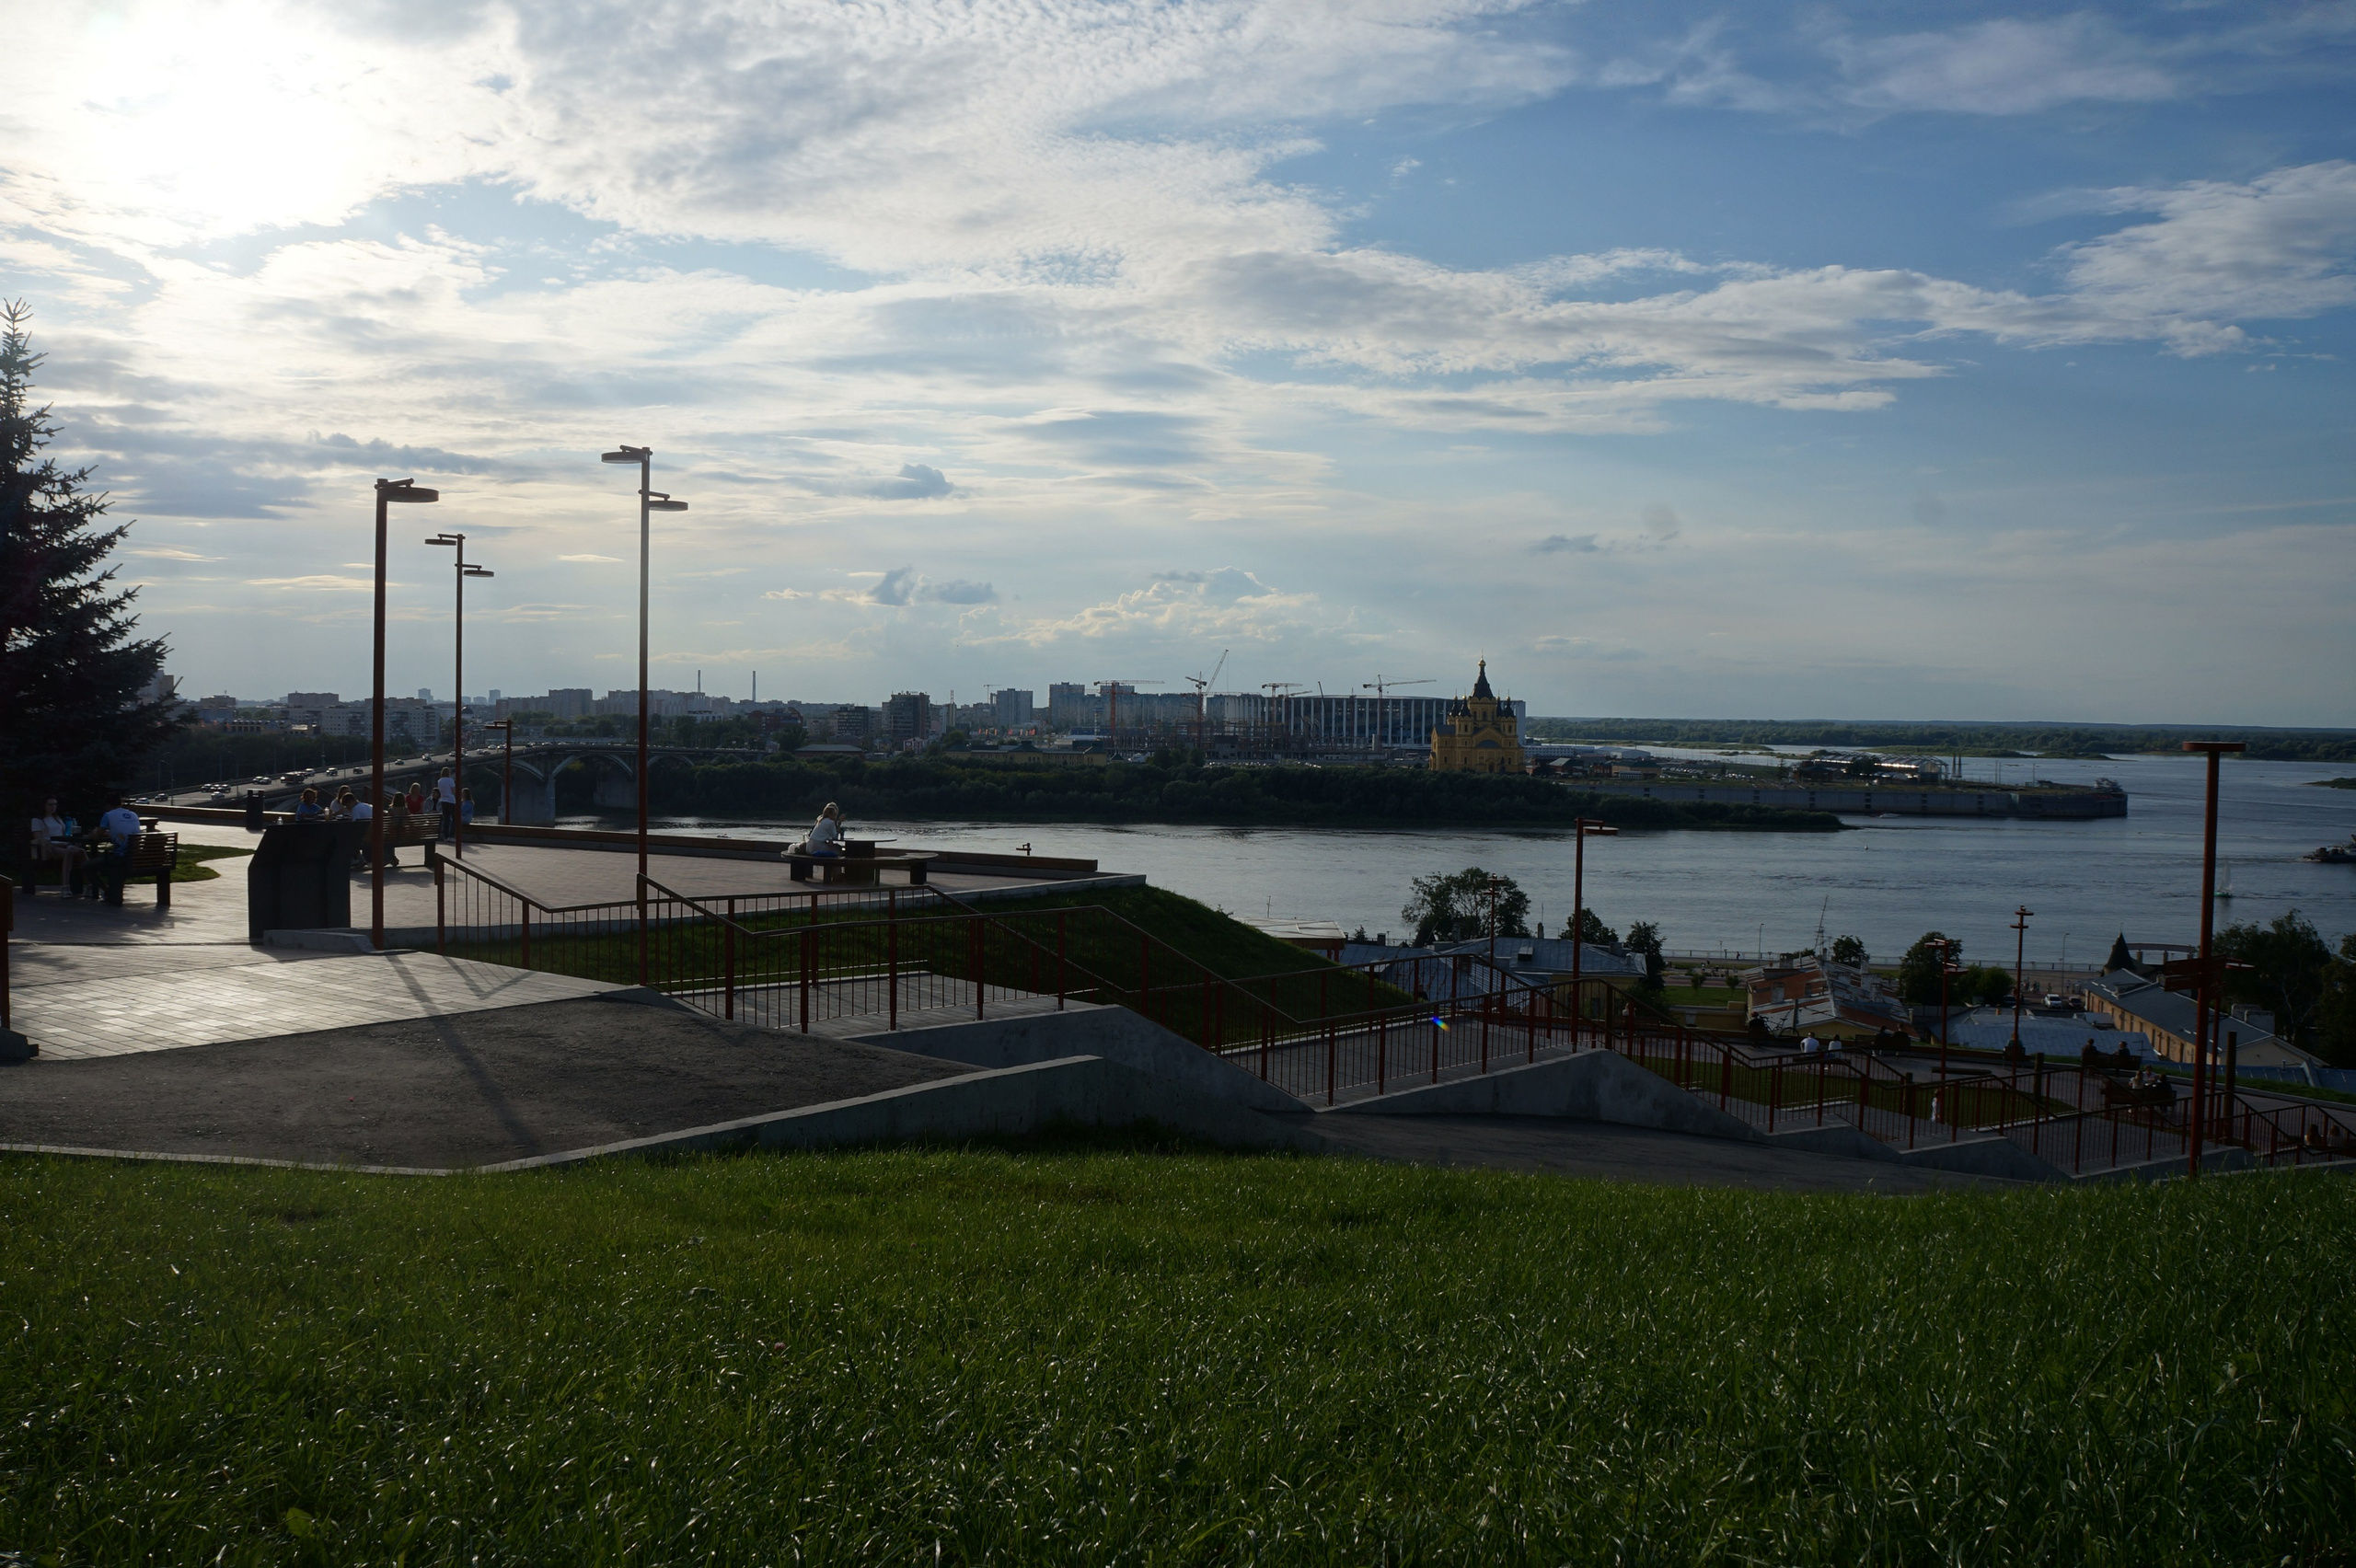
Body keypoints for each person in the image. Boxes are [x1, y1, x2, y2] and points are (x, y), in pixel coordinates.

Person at [28, 797, 85, 896]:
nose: (53, 807)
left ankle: (90, 884)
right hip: (50, 848)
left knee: (81, 852)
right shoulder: (37, 820)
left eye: (55, 804)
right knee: (69, 853)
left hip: (64, 844)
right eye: (50, 804)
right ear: (44, 806)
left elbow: (64, 834)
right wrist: (58, 844)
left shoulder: (57, 819)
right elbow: (38, 838)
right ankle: (65, 886)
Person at [95, 794, 142, 906]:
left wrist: (94, 832)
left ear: (107, 805)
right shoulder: (133, 814)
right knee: (113, 863)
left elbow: (96, 838)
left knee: (87, 866)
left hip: (120, 858)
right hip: (136, 857)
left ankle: (107, 891)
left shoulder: (108, 815)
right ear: (120, 803)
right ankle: (110, 892)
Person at [435, 767, 457, 839]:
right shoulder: (450, 780)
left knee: (446, 819)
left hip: (443, 800)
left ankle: (446, 836)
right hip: (451, 800)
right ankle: (452, 836)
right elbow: (453, 791)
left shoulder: (439, 781)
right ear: (449, 773)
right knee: (454, 819)